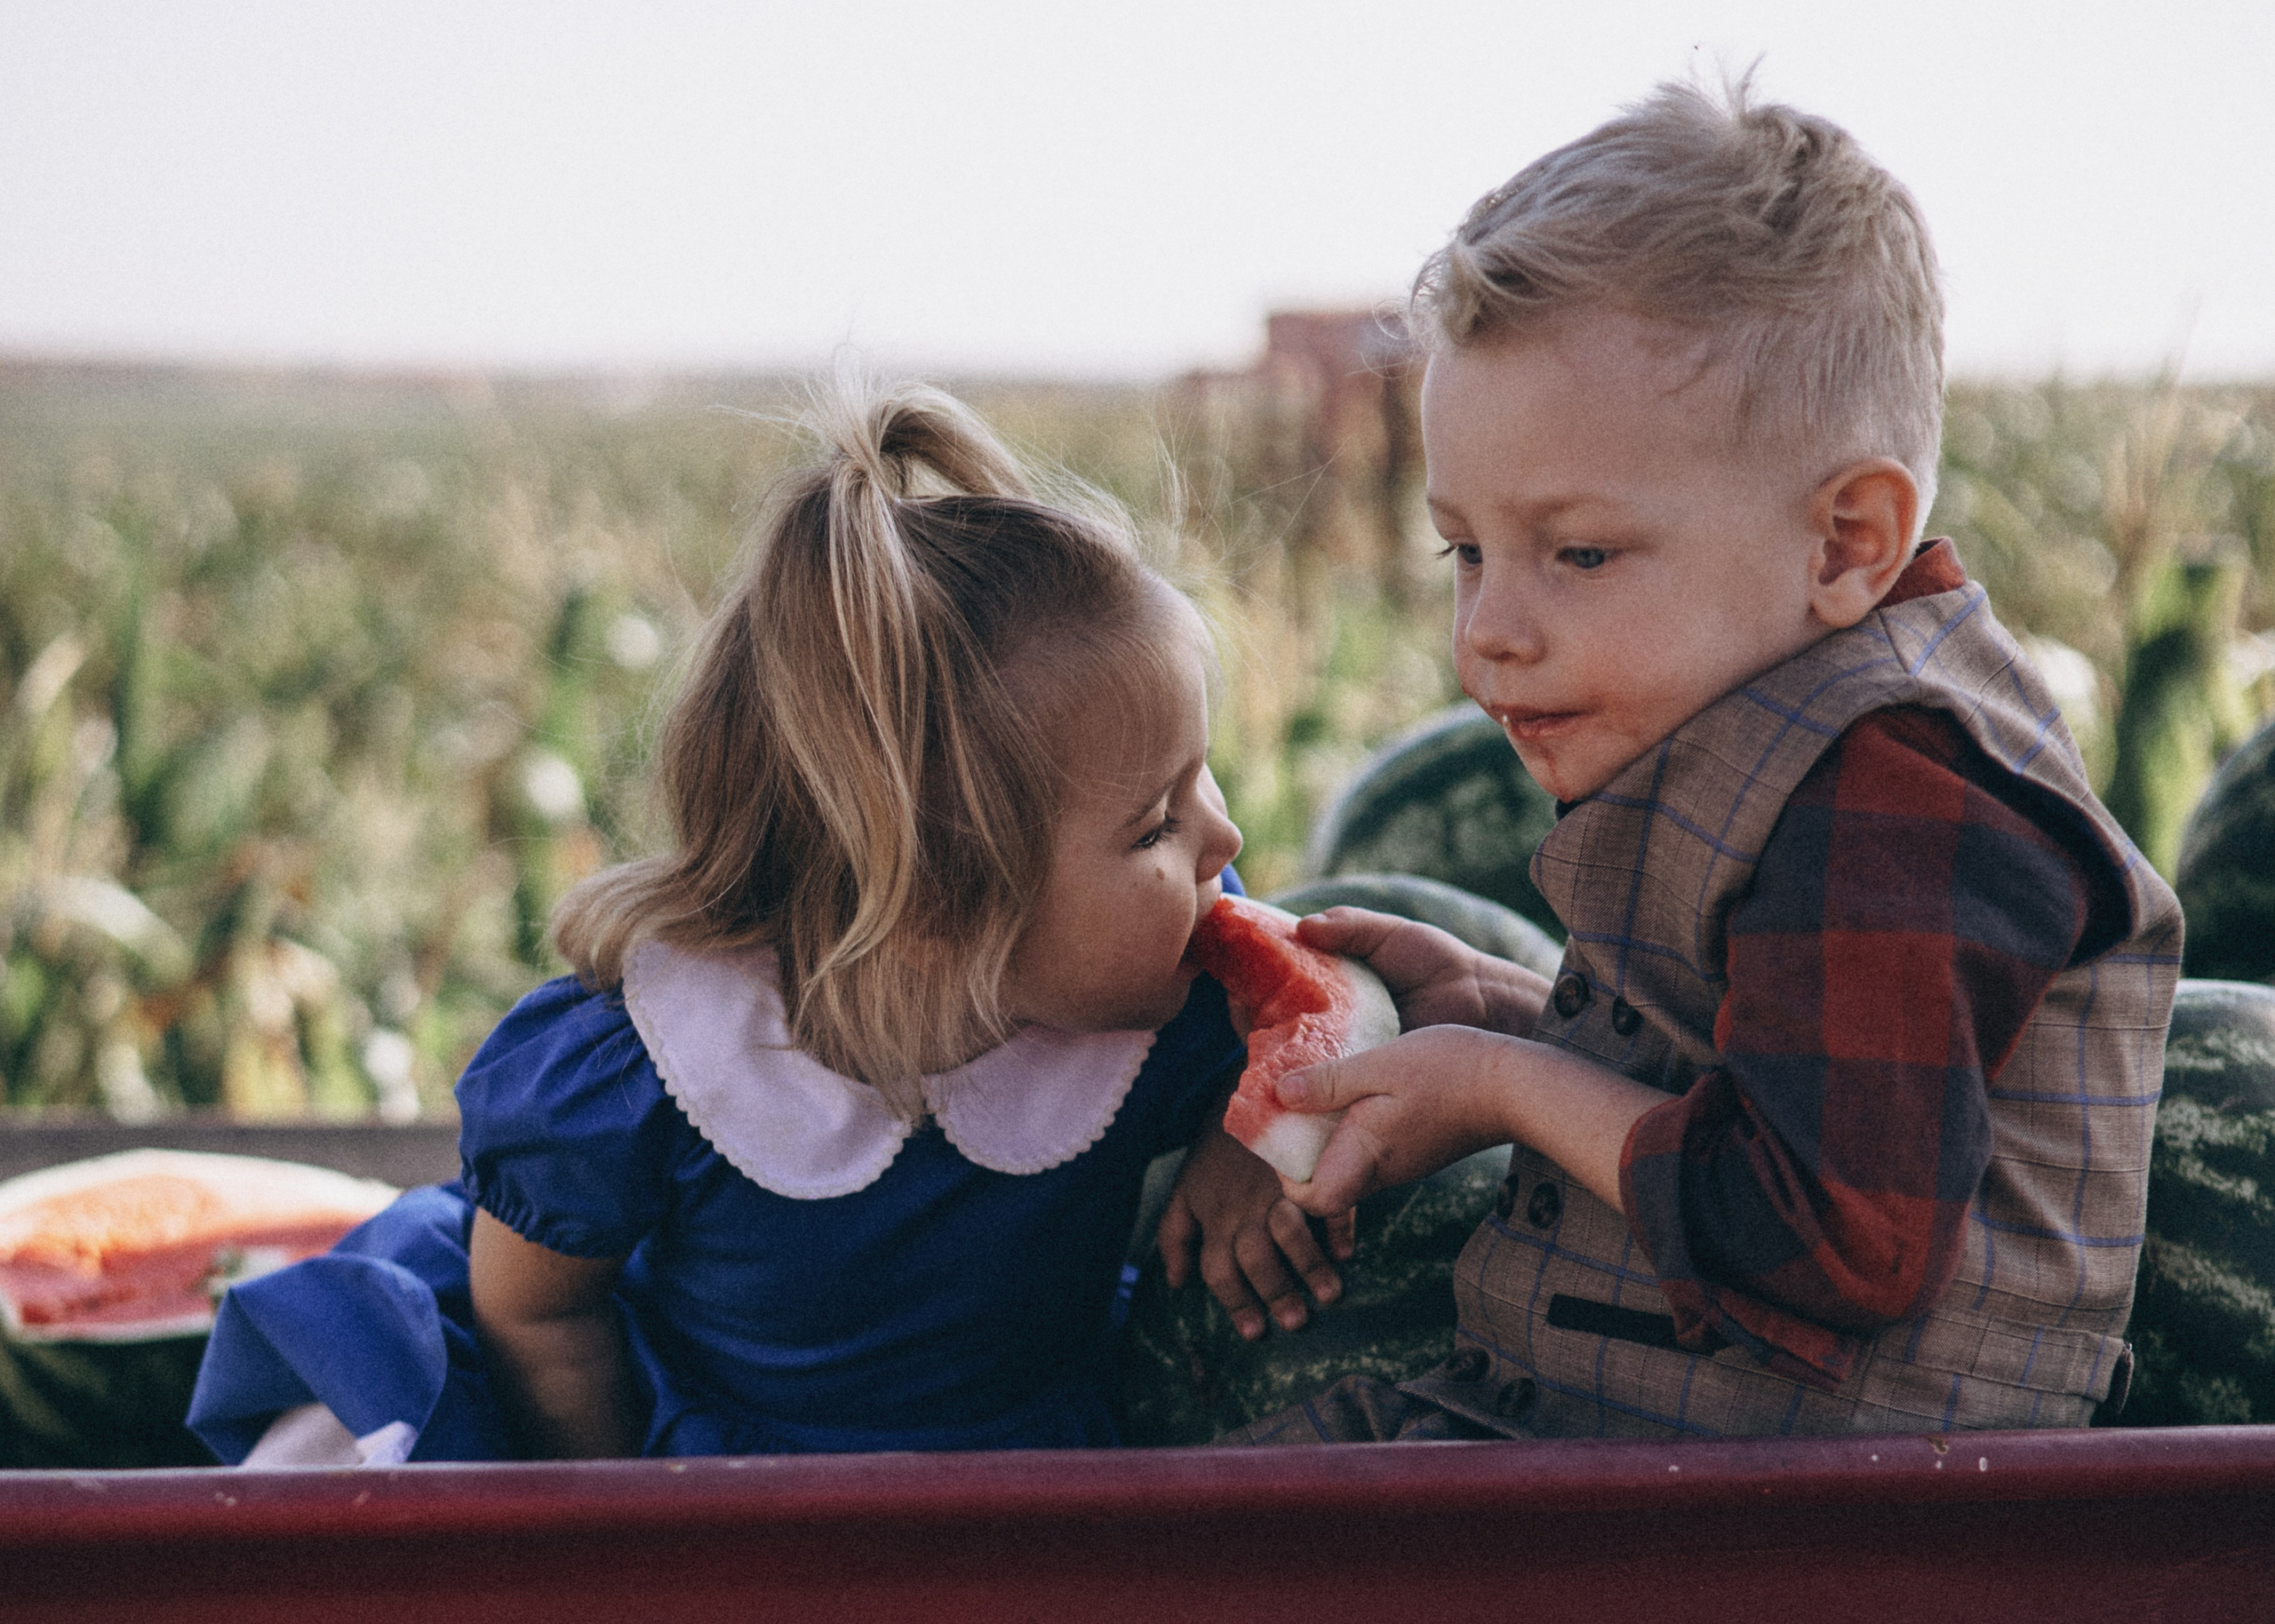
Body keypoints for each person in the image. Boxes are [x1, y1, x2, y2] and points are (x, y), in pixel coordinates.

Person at [1233, 78, 2183, 1443]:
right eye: (1467, 551)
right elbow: (1743, 1074)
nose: (1490, 632)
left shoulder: (1906, 791)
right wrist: (1504, 1016)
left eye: (1580, 554)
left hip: (1815, 1526)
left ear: (1847, 540)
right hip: (1648, 1458)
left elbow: (1831, 1238)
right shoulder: (1794, 735)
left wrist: (1507, 1087)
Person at [188, 378, 1340, 1465]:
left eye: (1203, 782)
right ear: (939, 904)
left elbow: (1357, 1019)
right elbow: (536, 1311)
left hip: (1021, 1466)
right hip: (727, 1466)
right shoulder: (656, 1069)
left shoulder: (1179, 983)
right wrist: (621, 1528)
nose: (1225, 843)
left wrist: (1253, 1134)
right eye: (1155, 826)